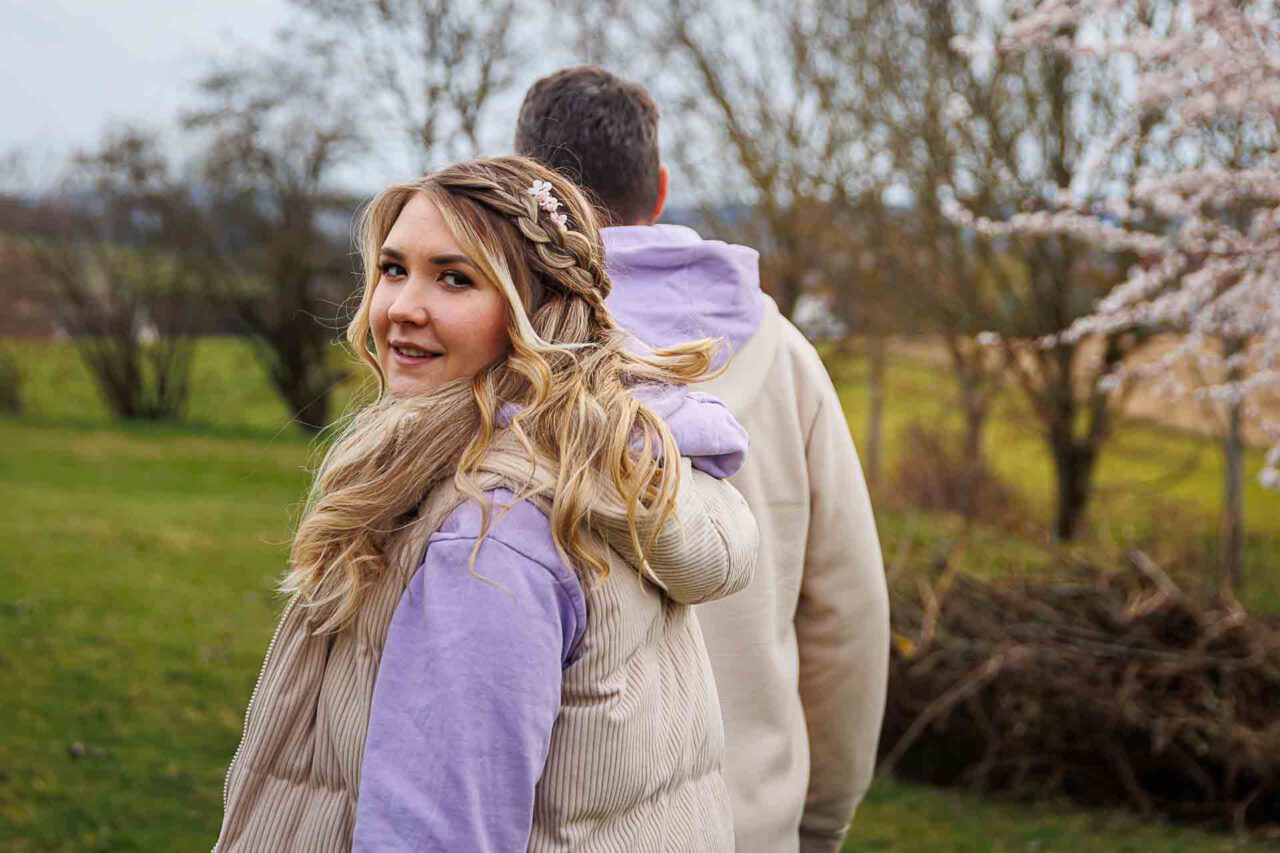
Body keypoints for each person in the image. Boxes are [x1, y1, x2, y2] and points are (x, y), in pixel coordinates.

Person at [215, 155, 760, 851]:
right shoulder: (606, 464)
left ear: (536, 309)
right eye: (392, 268)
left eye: (454, 277)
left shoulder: (486, 540)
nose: (402, 306)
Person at [516, 66, 891, 853]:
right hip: (744, 824)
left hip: (538, 823)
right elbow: (847, 614)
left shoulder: (492, 355)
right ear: (657, 191)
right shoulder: (786, 360)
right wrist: (819, 816)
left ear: (525, 187)